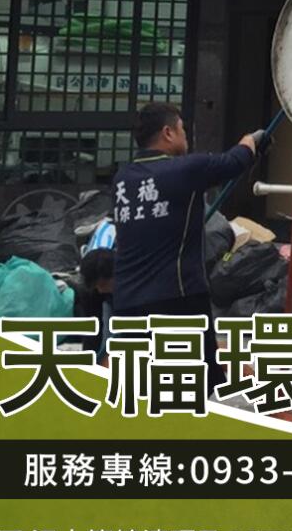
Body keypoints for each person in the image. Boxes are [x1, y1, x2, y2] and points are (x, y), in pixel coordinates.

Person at [111, 102, 264, 391]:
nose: (186, 137)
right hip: (177, 299)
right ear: (168, 133)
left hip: (128, 303)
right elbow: (235, 161)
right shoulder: (185, 169)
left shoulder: (123, 179)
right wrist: (252, 140)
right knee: (188, 386)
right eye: (182, 130)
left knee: (141, 385)